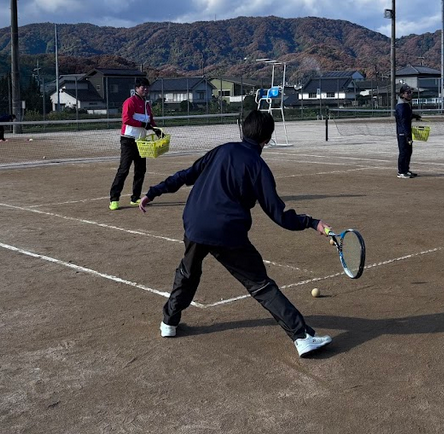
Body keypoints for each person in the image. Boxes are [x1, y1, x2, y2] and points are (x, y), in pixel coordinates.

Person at [139, 110, 335, 358]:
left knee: (187, 272)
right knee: (261, 285)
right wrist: (311, 222)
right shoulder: (258, 167)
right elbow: (279, 215)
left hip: (195, 223)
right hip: (227, 232)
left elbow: (186, 175)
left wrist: (154, 191)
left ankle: (169, 322)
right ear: (267, 138)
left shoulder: (221, 150)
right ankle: (302, 336)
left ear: (244, 130)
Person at [108, 77, 160, 210]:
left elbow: (150, 121)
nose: (145, 89)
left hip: (141, 141)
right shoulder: (130, 102)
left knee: (140, 170)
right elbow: (126, 119)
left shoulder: (147, 104)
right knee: (124, 170)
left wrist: (157, 130)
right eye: (143, 87)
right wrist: (143, 124)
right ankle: (114, 199)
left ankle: (135, 197)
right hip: (128, 140)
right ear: (136, 89)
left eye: (147, 87)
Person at [394, 85, 422, 179]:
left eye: (411, 92)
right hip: (403, 133)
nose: (410, 94)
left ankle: (406, 169)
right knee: (403, 152)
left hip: (406, 131)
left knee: (409, 151)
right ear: (402, 94)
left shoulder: (406, 104)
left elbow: (407, 116)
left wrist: (414, 116)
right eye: (408, 92)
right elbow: (403, 121)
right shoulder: (401, 105)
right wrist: (407, 135)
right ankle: (401, 171)